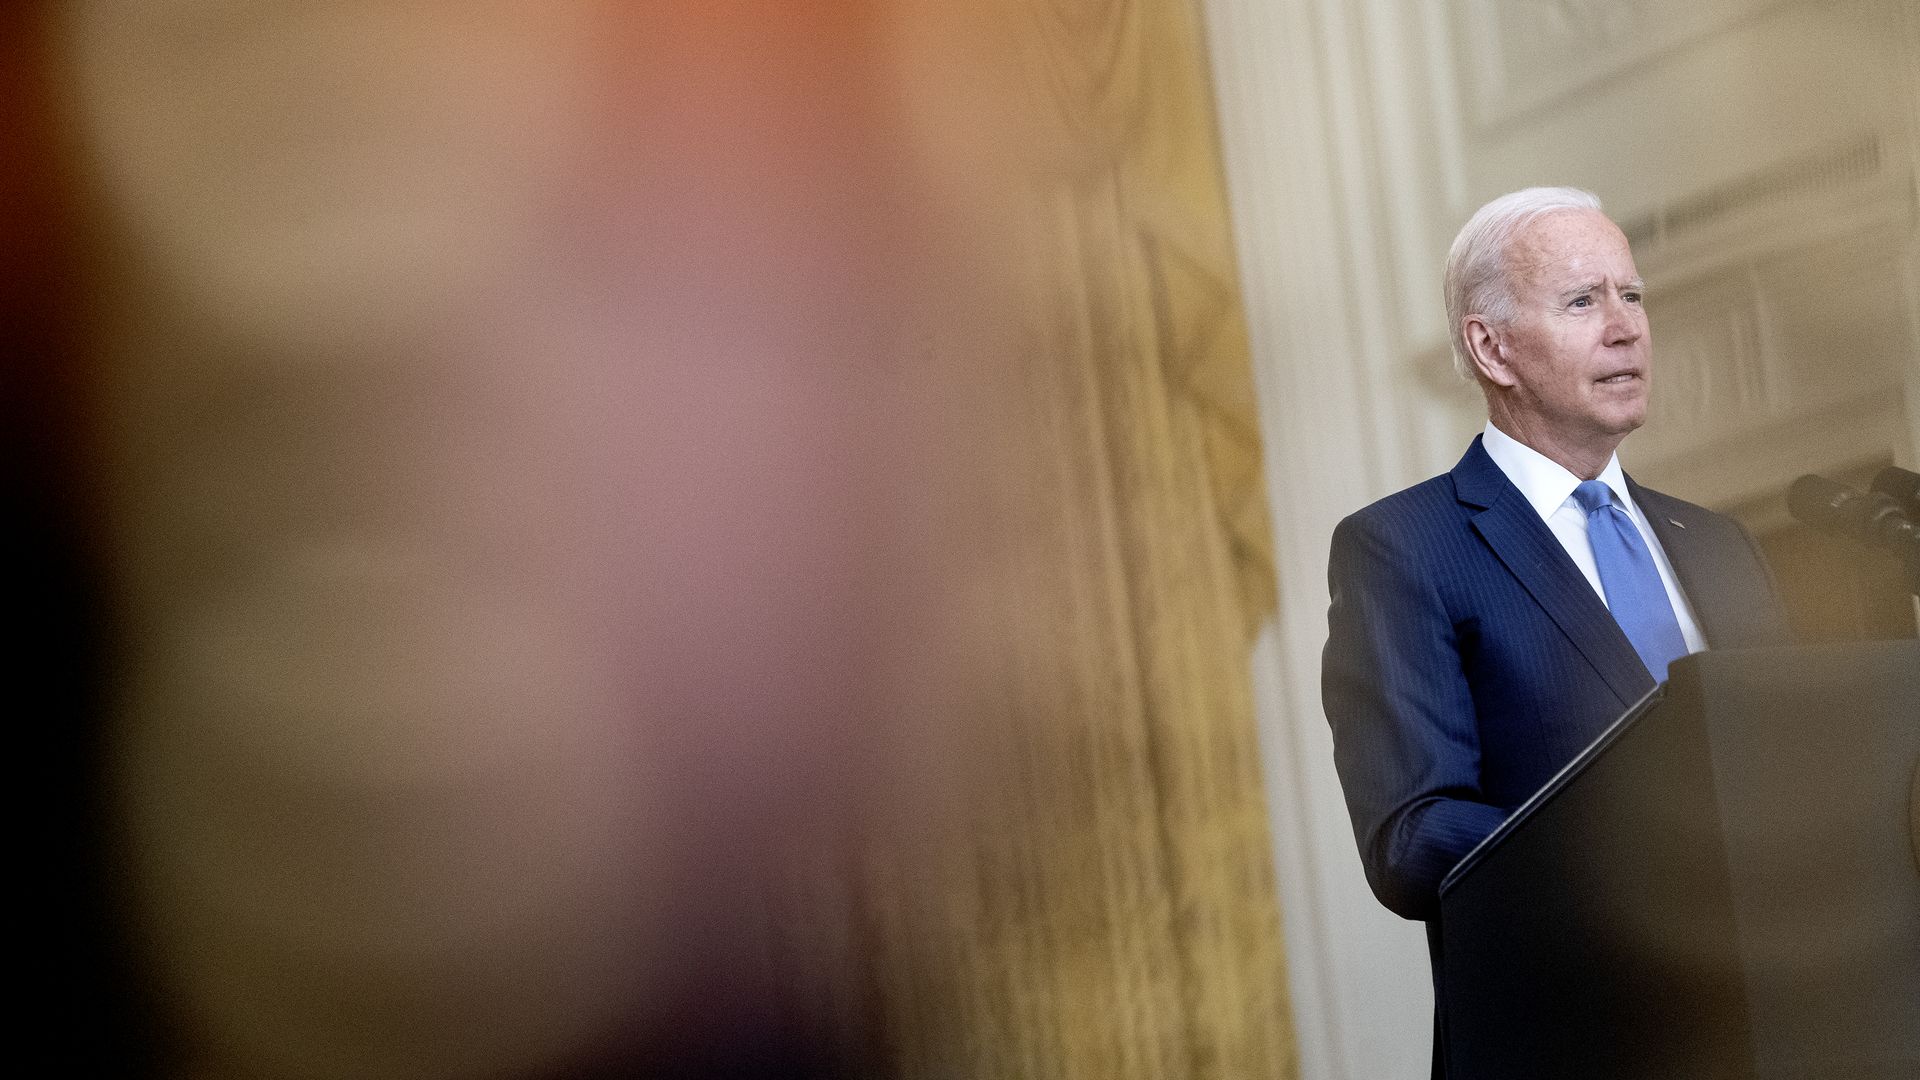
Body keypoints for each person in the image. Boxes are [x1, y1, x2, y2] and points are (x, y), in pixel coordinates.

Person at [1320, 187, 1792, 1072]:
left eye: (1633, 295)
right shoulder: (1405, 549)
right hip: (1569, 1040)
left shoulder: (1722, 545)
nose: (1626, 328)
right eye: (1583, 301)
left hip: (1772, 1032)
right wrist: (1623, 855)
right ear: (1491, 347)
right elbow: (1413, 836)